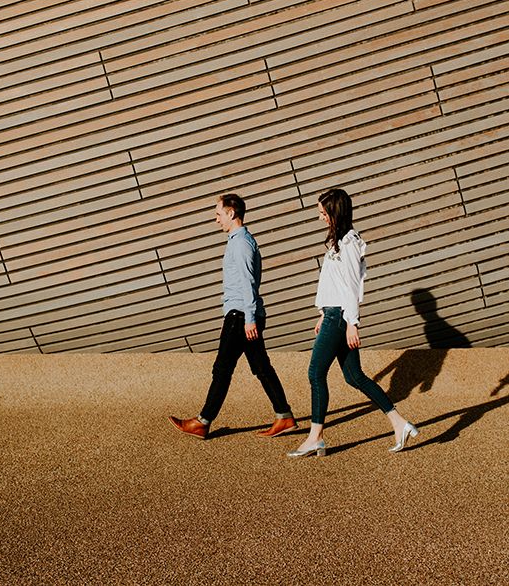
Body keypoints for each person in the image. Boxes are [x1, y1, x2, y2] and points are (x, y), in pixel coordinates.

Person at [288, 188, 418, 457]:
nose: (320, 216)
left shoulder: (348, 243)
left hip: (341, 316)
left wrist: (351, 323)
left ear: (336, 212)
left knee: (315, 374)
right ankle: (399, 423)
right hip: (333, 314)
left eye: (324, 212)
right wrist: (323, 313)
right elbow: (335, 284)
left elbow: (350, 287)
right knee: (354, 376)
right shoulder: (340, 241)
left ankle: (315, 437)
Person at [169, 193, 296, 440]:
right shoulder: (240, 241)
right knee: (261, 368)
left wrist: (249, 317)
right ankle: (284, 415)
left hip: (240, 316)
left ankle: (202, 422)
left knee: (222, 369)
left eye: (218, 214)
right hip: (244, 313)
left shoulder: (240, 243)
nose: (216, 220)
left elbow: (248, 282)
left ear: (231, 213)